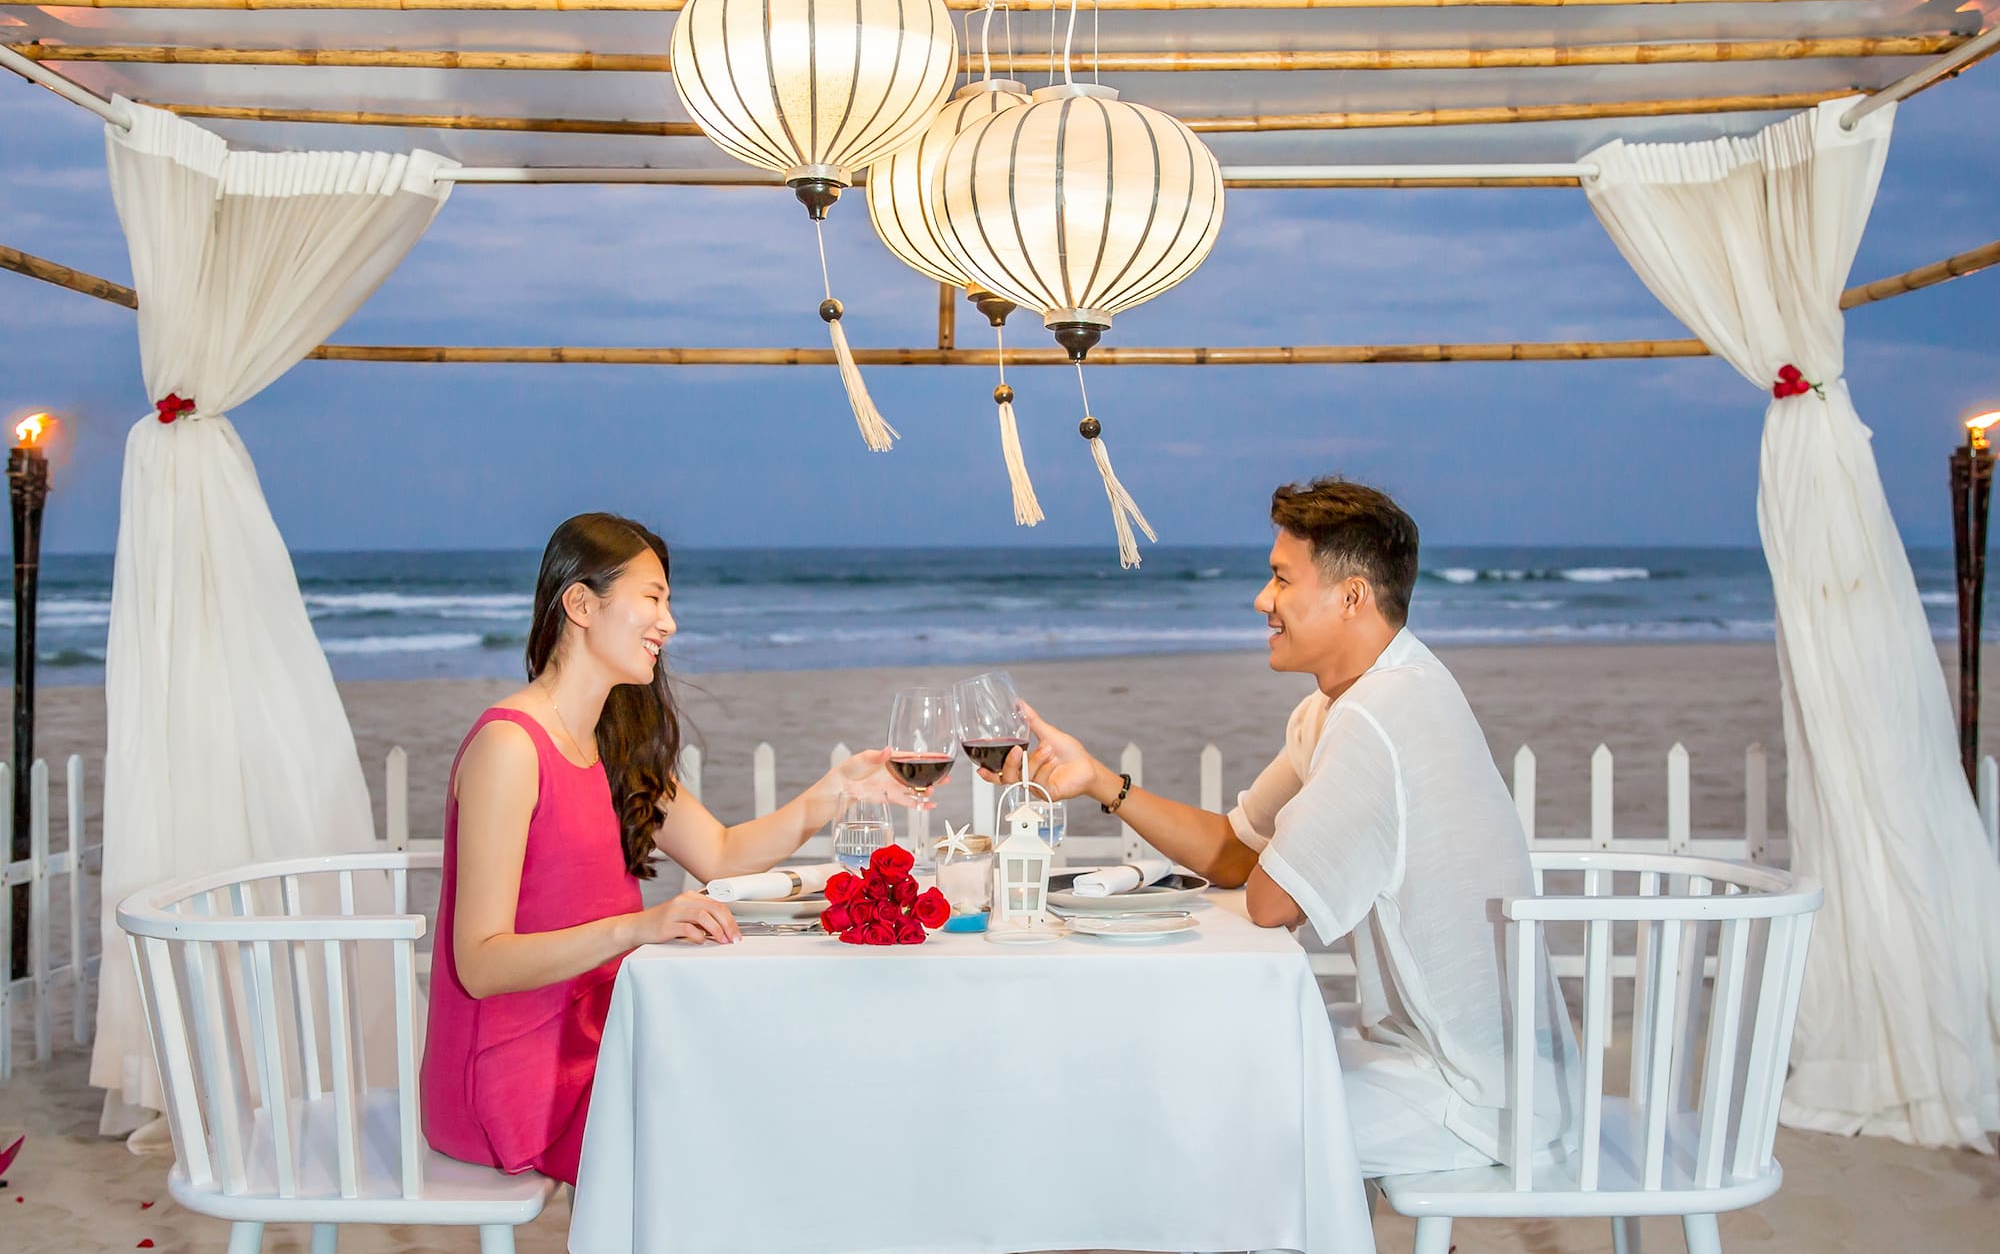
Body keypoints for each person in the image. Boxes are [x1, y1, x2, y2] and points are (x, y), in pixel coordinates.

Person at [998, 478, 1576, 1177]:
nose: (1262, 600)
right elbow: (1236, 850)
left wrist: (1299, 827)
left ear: (1352, 595)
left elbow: (1272, 901)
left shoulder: (1381, 714)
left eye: (1280, 578)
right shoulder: (1342, 705)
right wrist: (1100, 781)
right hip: (1418, 1051)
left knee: (1219, 1122)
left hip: (1481, 1095)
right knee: (1223, 1057)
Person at [420, 512, 903, 1185]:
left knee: (783, 1077)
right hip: (516, 1070)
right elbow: (478, 963)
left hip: (603, 1038)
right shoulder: (510, 746)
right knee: (742, 1120)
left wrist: (835, 791)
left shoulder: (614, 747)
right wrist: (640, 926)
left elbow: (723, 853)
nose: (669, 621)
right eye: (652, 597)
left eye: (667, 601)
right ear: (581, 603)